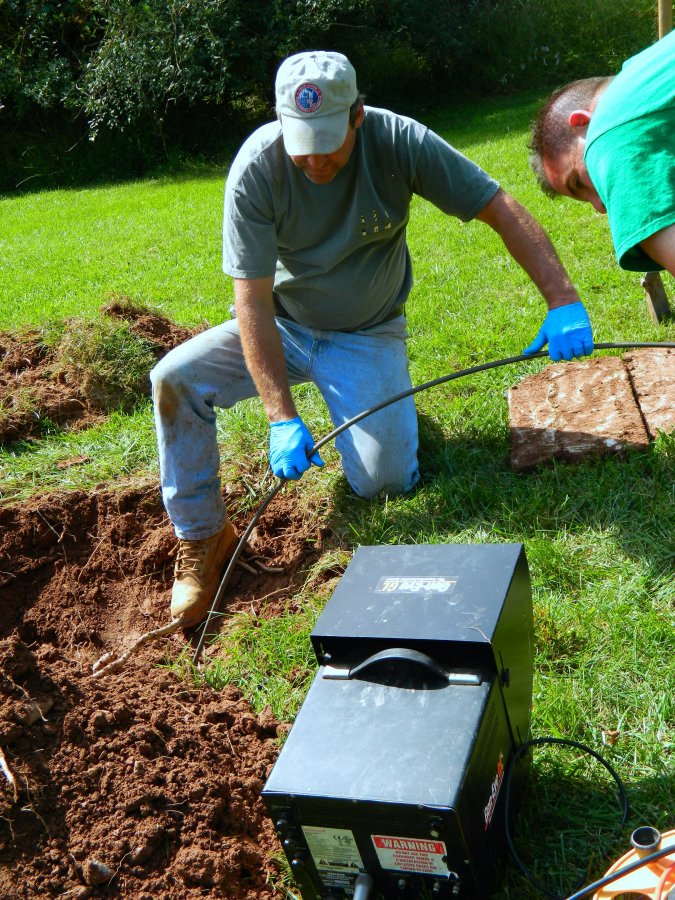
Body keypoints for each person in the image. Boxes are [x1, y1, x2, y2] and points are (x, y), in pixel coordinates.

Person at [151, 50, 593, 628]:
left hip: (367, 332)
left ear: (357, 116)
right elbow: (252, 301)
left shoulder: (400, 142)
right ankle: (204, 535)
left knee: (385, 484)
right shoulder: (257, 168)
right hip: (282, 324)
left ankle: (387, 407)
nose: (314, 160)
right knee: (173, 379)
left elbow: (498, 207)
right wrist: (281, 417)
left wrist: (563, 300)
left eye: (327, 143)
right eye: (301, 143)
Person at [529, 30, 675, 276]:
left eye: (578, 182)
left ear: (582, 123)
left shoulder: (606, 137)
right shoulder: (647, 69)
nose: (599, 207)